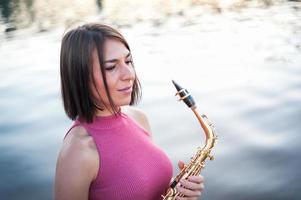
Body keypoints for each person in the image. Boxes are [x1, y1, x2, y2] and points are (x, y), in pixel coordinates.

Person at [54, 23, 205, 200]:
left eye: (128, 61)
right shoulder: (78, 151)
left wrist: (179, 189)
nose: (129, 74)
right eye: (111, 67)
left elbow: (138, 185)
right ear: (81, 76)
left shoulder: (138, 118)